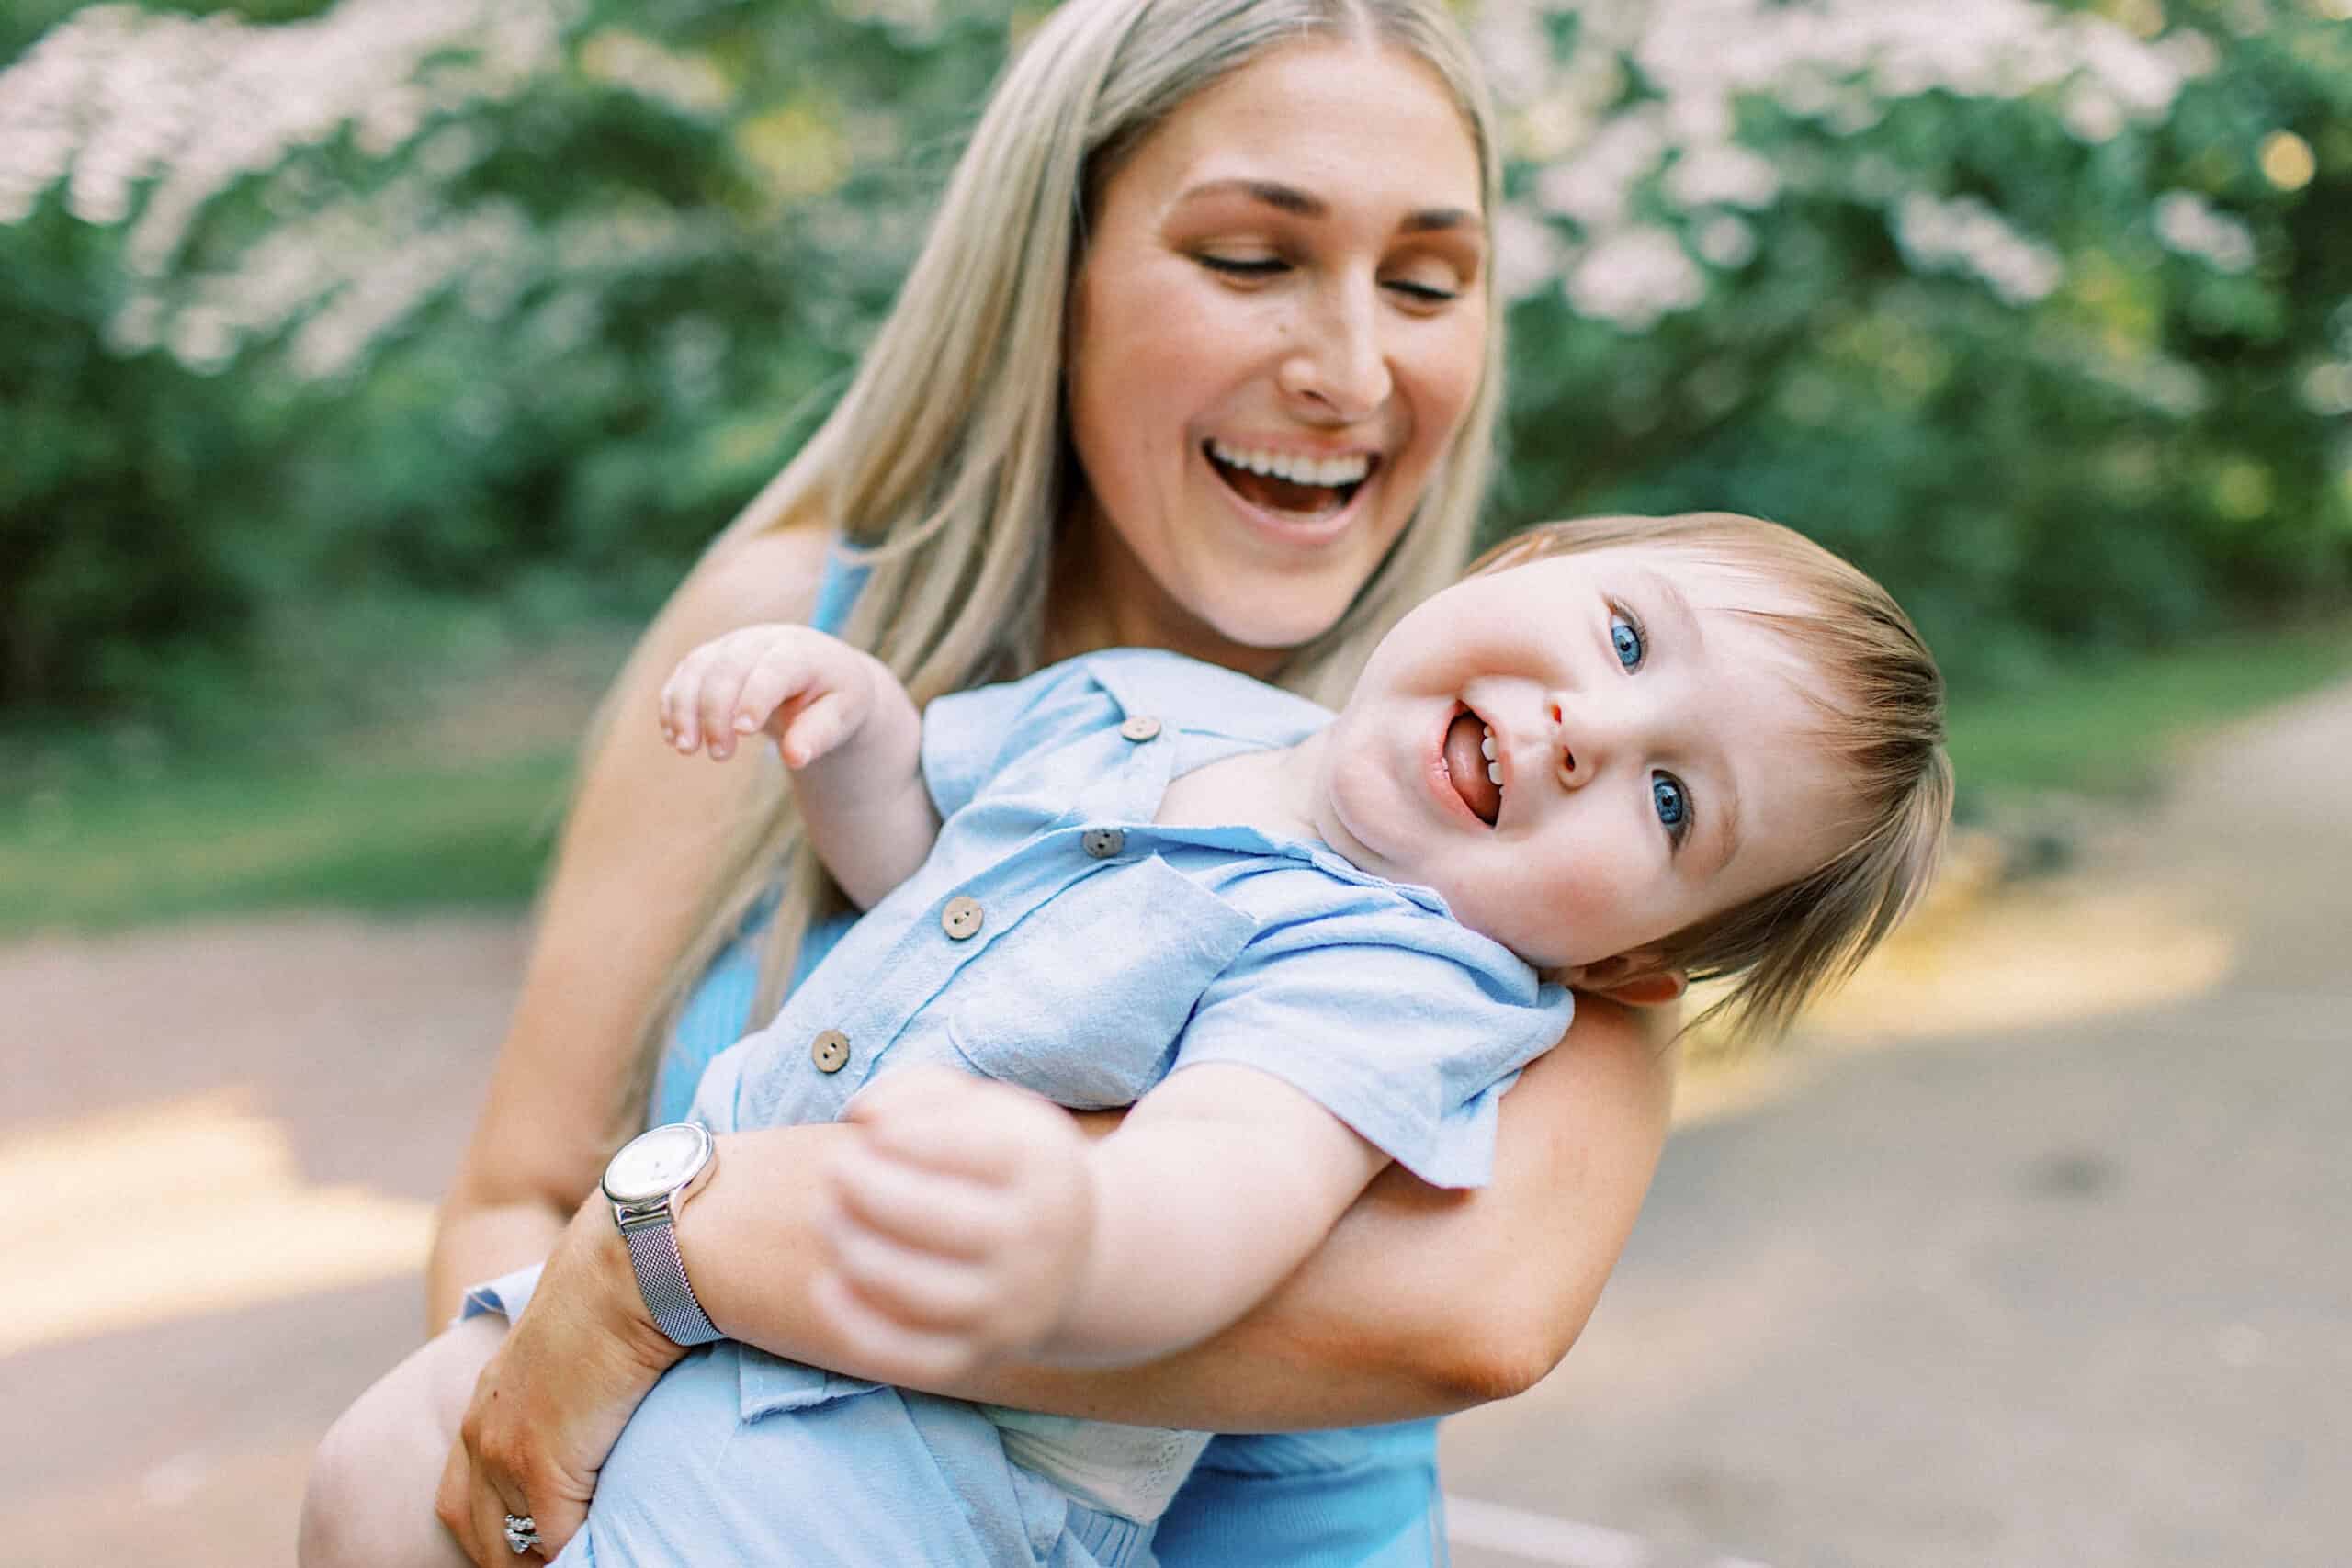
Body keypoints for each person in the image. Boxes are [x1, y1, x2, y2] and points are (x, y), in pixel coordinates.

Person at [307, 2, 1722, 1563]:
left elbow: (1470, 1314)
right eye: (1252, 260)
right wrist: (528, 1494)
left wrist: (676, 1238)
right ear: (1052, 281)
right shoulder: (797, 638)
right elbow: (520, 1191)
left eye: (1427, 283)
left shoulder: (1558, 849)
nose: (1350, 367)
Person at [306, 511, 1949, 1567]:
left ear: (1640, 960)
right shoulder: (1159, 706)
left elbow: (1227, 1183)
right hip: (669, 1321)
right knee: (367, 1484)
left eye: (1673, 798)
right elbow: (923, 862)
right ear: (1525, 565)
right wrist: (851, 725)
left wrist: (1071, 1233)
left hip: (921, 1476)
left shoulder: (1401, 970)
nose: (1593, 729)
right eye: (1627, 638)